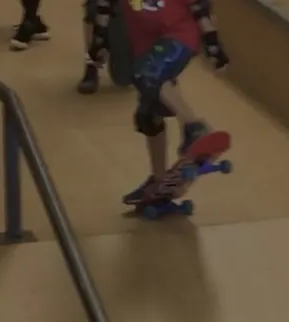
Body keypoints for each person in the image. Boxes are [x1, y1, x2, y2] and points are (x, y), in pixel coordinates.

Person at [86, 0, 230, 204]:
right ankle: (159, 181)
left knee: (148, 74)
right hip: (147, 49)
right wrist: (98, 43)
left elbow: (199, 7)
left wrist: (214, 47)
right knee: (147, 116)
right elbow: (104, 6)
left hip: (179, 37)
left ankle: (195, 127)